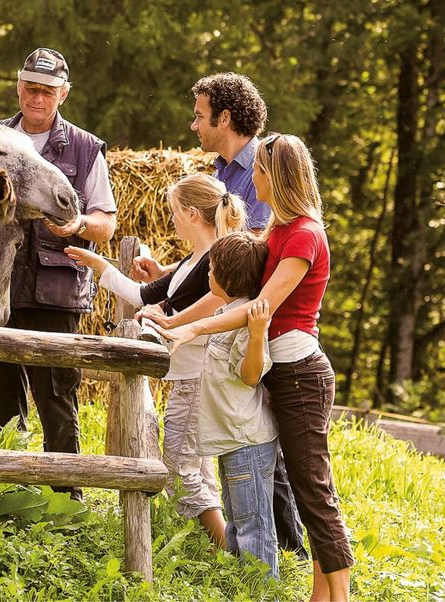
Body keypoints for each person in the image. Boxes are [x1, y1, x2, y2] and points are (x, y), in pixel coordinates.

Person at [159, 134, 354, 601]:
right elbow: (232, 291)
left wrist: (193, 331)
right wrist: (176, 315)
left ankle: (338, 597)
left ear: (277, 176)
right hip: (280, 374)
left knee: (315, 492)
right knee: (309, 493)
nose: (253, 177)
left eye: (260, 170)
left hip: (301, 376)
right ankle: (318, 596)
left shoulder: (305, 235)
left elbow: (260, 308)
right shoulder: (276, 232)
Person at [135, 71, 308, 563]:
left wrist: (178, 319)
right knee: (248, 443)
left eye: (199, 115)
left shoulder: (261, 176)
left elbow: (243, 271)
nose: (194, 125)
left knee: (263, 445)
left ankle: (283, 550)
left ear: (225, 117)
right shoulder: (221, 172)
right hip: (232, 328)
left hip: (254, 329)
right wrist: (169, 272)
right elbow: (221, 256)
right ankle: (261, 548)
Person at [65, 173, 245, 546]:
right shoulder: (193, 260)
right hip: (189, 374)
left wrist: (98, 266)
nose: (173, 221)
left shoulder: (215, 260)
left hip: (199, 374)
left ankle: (228, 550)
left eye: (176, 213)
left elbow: (184, 307)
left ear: (193, 214)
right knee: (196, 467)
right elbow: (146, 294)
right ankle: (222, 547)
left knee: (179, 467)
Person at [0, 48, 117, 501]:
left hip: (57, 293)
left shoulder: (84, 147)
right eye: (31, 88)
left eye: (48, 91)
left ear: (64, 94)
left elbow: (106, 223)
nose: (38, 98)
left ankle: (65, 504)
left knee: (57, 402)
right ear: (19, 88)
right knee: (2, 402)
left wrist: (77, 225)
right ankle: (9, 500)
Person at [185, 231, 279, 577]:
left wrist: (256, 335)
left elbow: (251, 375)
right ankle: (243, 584)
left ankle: (262, 589)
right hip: (231, 438)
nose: (207, 274)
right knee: (239, 523)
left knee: (253, 524)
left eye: (210, 268)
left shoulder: (247, 319)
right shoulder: (228, 313)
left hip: (247, 440)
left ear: (226, 276)